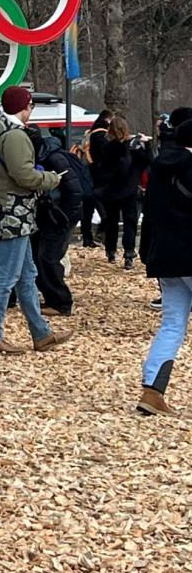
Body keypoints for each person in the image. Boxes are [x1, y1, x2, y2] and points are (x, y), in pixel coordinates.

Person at [0, 86, 70, 354]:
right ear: (26, 106)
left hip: (6, 210)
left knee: (27, 275)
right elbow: (24, 176)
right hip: (14, 213)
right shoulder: (15, 136)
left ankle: (41, 333)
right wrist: (52, 179)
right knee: (5, 276)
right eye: (31, 106)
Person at [136, 118, 192, 415]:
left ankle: (152, 390)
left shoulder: (158, 168)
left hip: (166, 257)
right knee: (171, 324)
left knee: (172, 324)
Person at [27, 126, 83, 318]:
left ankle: (60, 302)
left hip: (59, 215)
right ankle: (53, 298)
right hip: (52, 214)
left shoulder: (53, 158)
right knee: (38, 254)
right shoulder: (46, 154)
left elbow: (74, 189)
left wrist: (63, 215)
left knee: (47, 256)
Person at [96, 116, 152, 269]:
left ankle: (111, 250)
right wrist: (147, 145)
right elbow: (147, 161)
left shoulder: (107, 148)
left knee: (111, 222)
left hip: (111, 190)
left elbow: (101, 168)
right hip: (130, 189)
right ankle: (129, 253)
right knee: (130, 222)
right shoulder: (132, 148)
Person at [79, 109, 112, 247]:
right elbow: (104, 156)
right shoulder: (101, 134)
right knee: (103, 208)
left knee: (88, 208)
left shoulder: (91, 131)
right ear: (108, 119)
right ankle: (100, 233)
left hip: (88, 174)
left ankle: (87, 237)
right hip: (97, 176)